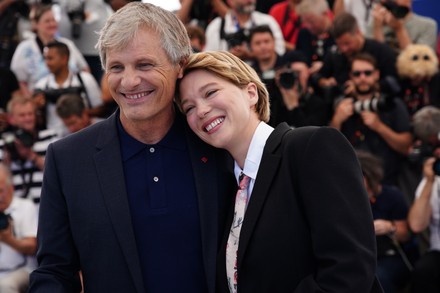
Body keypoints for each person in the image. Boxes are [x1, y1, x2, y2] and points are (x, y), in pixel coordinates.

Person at [28, 3, 234, 293]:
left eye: (145, 64)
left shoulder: (220, 146)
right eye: (116, 67)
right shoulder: (67, 160)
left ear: (180, 65)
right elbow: (54, 272)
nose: (129, 81)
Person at [176, 50, 382, 293]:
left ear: (251, 93)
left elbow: (350, 268)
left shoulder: (311, 146)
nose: (200, 111)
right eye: (189, 108)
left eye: (210, 92)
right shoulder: (223, 185)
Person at [329, 52, 412, 186]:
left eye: (367, 73)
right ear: (350, 76)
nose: (362, 78)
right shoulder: (341, 105)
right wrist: (337, 120)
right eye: (357, 74)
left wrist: (380, 127)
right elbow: (328, 148)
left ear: (376, 74)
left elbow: (406, 146)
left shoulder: (392, 104)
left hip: (386, 183)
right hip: (350, 181)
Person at [356, 150, 412, 293]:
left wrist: (390, 227)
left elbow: (406, 234)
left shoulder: (391, 196)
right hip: (360, 257)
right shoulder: (347, 202)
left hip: (389, 255)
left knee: (377, 277)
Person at [10, 3, 89, 97]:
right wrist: (31, 102)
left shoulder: (67, 44)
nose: (52, 24)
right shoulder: (24, 48)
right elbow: (19, 81)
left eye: (53, 20)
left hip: (71, 96)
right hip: (39, 100)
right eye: (47, 21)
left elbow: (84, 69)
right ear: (36, 24)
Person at [316, 12, 397, 98]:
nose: (344, 49)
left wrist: (364, 85)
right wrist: (323, 82)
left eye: (347, 43)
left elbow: (394, 83)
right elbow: (318, 76)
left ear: (357, 32)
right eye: (339, 45)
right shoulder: (335, 54)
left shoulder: (381, 51)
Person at [33, 41, 102, 137]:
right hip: (54, 137)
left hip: (84, 134)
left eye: (50, 58)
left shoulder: (85, 80)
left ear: (64, 59)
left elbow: (100, 108)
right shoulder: (41, 85)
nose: (47, 63)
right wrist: (37, 108)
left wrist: (79, 114)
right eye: (45, 58)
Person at [0, 96, 58, 205]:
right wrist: (6, 163)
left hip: (47, 205)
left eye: (30, 114)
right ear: (11, 119)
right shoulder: (4, 144)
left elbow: (59, 172)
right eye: (22, 115)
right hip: (17, 211)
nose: (28, 118)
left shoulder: (50, 137)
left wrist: (32, 156)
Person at [407, 106, 440, 293]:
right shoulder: (432, 179)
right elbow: (417, 225)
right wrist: (428, 181)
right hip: (438, 251)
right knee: (422, 271)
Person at [204, 0, 285, 61]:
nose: (249, 0)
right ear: (230, 1)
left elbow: (280, 52)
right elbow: (208, 59)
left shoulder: (267, 21)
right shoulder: (217, 26)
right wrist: (230, 56)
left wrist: (251, 55)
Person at [0, 163, 38, 293]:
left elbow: (32, 247)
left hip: (23, 269)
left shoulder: (25, 207)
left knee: (6, 285)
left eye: (0, 190)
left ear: (11, 188)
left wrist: (8, 239)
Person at [371, 0, 437, 53]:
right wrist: (377, 28)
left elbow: (418, 62)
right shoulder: (376, 22)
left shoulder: (427, 26)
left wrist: (399, 29)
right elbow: (377, 58)